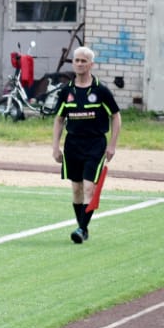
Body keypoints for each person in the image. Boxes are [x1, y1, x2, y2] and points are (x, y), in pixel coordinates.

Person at [52, 46, 121, 244]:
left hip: (95, 145)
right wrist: (55, 147)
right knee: (77, 189)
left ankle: (81, 229)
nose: (80, 64)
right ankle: (82, 226)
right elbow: (59, 119)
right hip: (72, 145)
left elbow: (116, 117)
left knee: (89, 188)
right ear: (73, 63)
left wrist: (112, 145)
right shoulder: (67, 91)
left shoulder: (101, 90)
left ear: (91, 64)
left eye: (84, 61)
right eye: (77, 60)